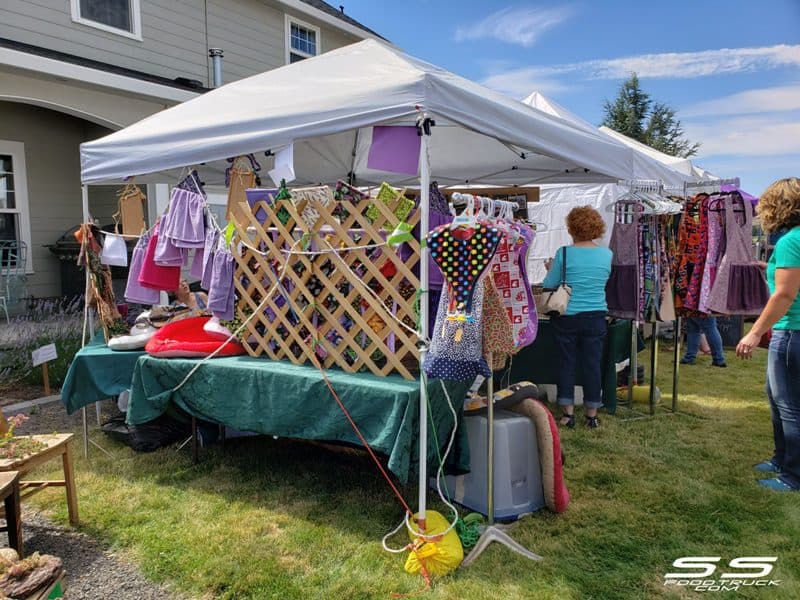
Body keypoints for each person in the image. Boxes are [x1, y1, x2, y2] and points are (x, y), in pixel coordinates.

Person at [736, 177, 800, 492]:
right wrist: (768, 266)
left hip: (791, 331)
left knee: (787, 404)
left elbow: (785, 295)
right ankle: (781, 459)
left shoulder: (790, 241)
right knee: (779, 400)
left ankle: (792, 476)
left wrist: (754, 332)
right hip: (793, 331)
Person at [543, 206, 612, 429]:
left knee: (567, 363)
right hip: (596, 315)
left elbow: (549, 285)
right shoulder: (606, 254)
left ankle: (568, 414)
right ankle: (592, 414)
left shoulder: (563, 253)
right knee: (592, 364)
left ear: (571, 227)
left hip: (567, 316)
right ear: (597, 227)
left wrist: (550, 268)